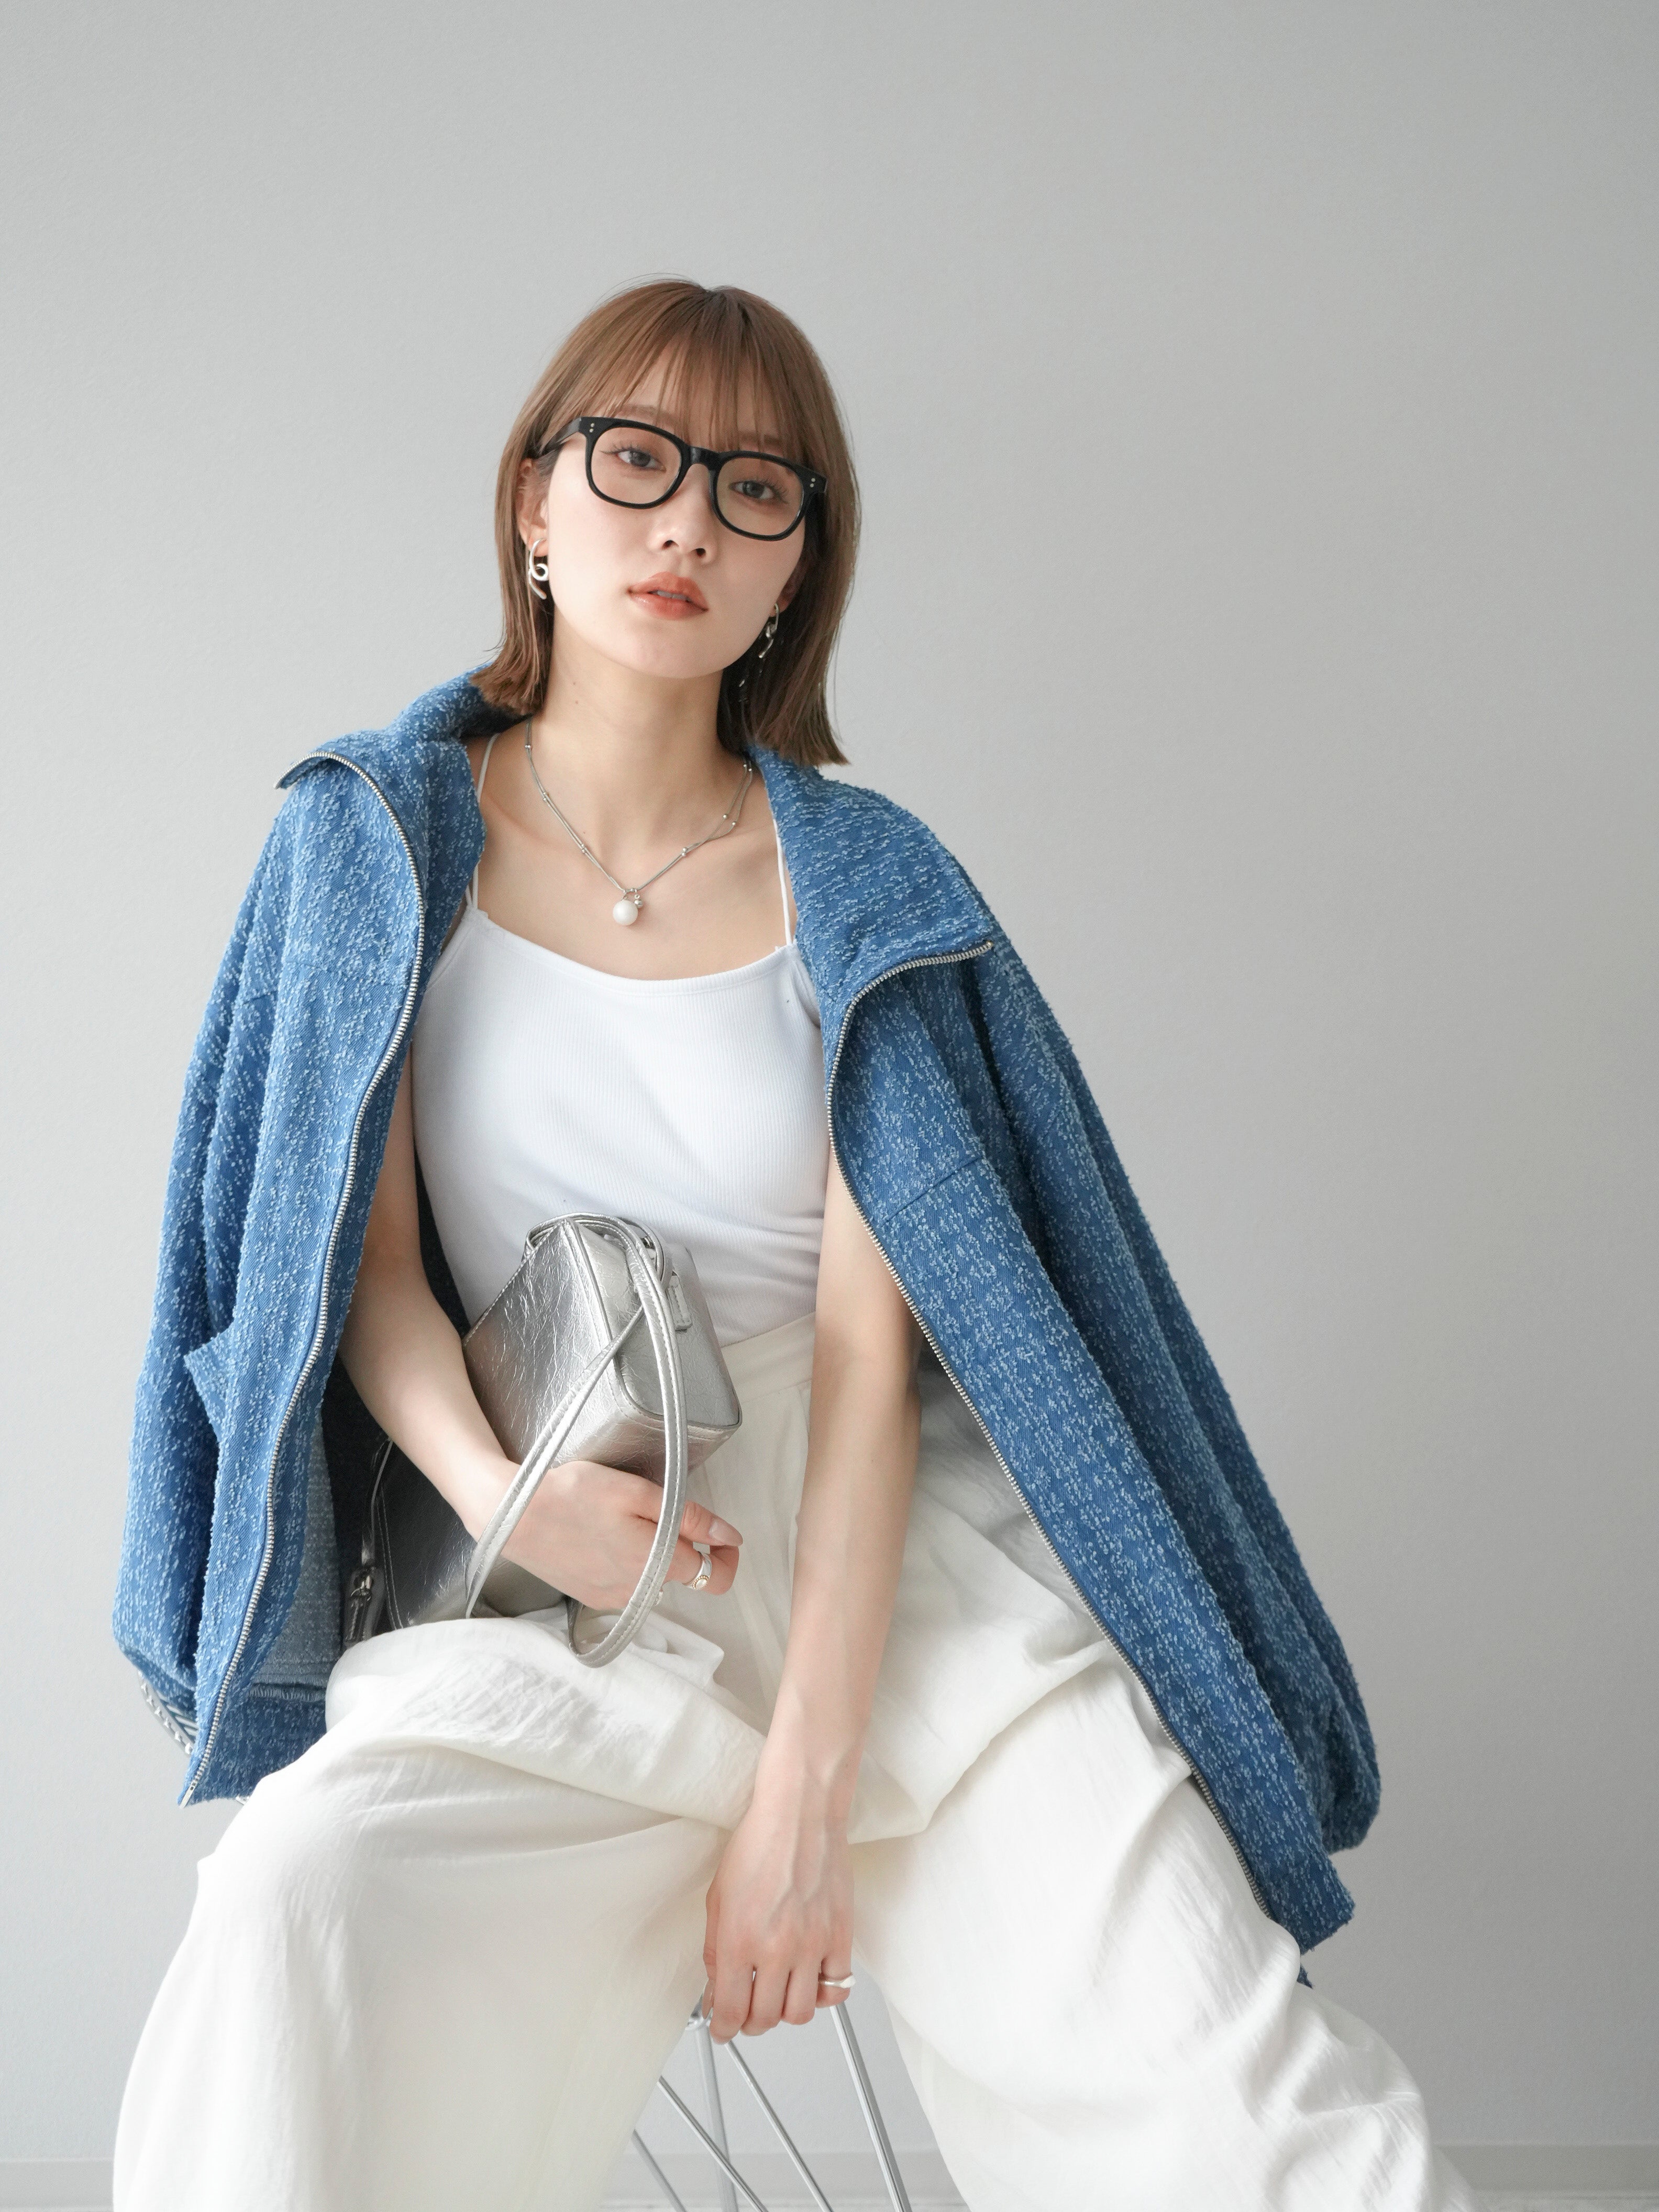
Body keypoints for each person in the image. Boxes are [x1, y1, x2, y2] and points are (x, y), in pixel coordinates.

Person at [111, 279, 1472, 2211]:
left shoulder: (869, 890)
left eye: (755, 490)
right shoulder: (380, 843)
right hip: (570, 1569)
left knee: (1250, 2113)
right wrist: (507, 1497)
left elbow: (864, 1359)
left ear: (794, 571)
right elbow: (364, 1280)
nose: (686, 522)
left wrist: (805, 1802)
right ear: (535, 501)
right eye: (637, 461)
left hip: (899, 1580)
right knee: (292, 1918)